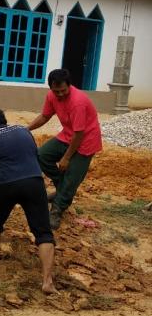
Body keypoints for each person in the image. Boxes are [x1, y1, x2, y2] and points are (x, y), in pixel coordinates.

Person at [0, 108, 56, 294]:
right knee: (44, 233)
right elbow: (33, 157)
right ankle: (47, 281)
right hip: (34, 182)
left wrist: (1, 196)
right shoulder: (24, 131)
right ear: (4, 121)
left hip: (6, 182)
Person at [27, 68, 102, 230]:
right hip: (68, 135)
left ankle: (57, 209)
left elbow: (79, 134)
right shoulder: (51, 96)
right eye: (56, 91)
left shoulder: (78, 102)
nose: (60, 94)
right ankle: (62, 188)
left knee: (72, 177)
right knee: (41, 155)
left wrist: (66, 158)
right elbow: (45, 116)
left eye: (63, 91)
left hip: (85, 140)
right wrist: (26, 129)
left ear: (69, 85)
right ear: (51, 88)